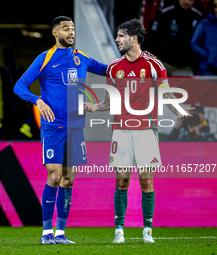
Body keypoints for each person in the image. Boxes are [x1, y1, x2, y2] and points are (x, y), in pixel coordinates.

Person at [84, 19, 194, 243]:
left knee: (146, 181)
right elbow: (108, 102)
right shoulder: (114, 67)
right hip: (121, 131)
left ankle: (147, 231)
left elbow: (165, 93)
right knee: (121, 181)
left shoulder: (154, 64)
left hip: (146, 131)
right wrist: (94, 108)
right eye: (117, 36)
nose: (117, 40)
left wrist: (178, 110)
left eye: (121, 36)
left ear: (134, 38)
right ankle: (119, 231)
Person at [14, 16, 107, 244]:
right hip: (53, 127)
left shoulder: (81, 57)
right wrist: (38, 100)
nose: (71, 32)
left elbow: (107, 70)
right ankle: (46, 232)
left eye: (73, 28)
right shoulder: (45, 59)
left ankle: (61, 233)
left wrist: (130, 62)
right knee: (54, 175)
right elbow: (19, 86)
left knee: (68, 179)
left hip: (75, 125)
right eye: (66, 29)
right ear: (55, 33)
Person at [146, 0, 203, 76]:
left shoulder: (198, 16)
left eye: (190, 0)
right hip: (166, 64)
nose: (187, 2)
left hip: (187, 67)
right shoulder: (165, 13)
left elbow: (201, 43)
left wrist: (195, 66)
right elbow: (152, 40)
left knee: (185, 88)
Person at [191, 0, 217, 75]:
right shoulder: (205, 23)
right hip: (207, 68)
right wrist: (207, 56)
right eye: (216, 7)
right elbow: (194, 43)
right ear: (213, 9)